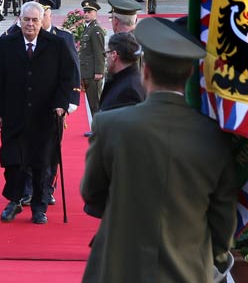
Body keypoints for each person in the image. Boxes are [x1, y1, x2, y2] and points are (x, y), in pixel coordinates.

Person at [81, 18, 238, 282]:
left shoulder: (109, 125)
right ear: (189, 75)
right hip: (186, 269)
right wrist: (209, 259)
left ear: (145, 71)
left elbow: (93, 193)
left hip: (120, 266)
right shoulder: (214, 136)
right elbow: (223, 220)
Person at [0, 1, 74, 225]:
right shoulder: (7, 43)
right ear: (19, 19)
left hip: (45, 116)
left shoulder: (56, 44)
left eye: (35, 20)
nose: (30, 24)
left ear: (42, 21)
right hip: (14, 114)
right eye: (26, 19)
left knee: (41, 165)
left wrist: (61, 104)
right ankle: (15, 200)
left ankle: (39, 206)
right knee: (12, 161)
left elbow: (67, 78)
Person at [97, 32, 145, 111]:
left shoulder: (129, 91)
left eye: (106, 54)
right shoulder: (134, 80)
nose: (106, 59)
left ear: (113, 55)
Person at [78, 1, 106, 117]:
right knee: (92, 104)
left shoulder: (95, 29)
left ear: (95, 13)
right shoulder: (88, 28)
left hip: (93, 73)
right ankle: (96, 125)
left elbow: (99, 52)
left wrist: (99, 71)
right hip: (87, 71)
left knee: (96, 104)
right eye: (85, 12)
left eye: (89, 12)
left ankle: (99, 126)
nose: (86, 14)